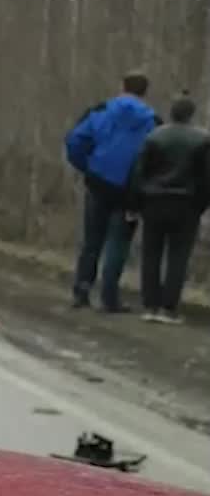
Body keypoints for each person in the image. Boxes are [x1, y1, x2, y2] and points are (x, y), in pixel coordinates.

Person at [65, 71, 157, 312]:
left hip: (98, 183)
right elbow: (156, 158)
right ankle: (109, 297)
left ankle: (82, 290)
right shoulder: (153, 121)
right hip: (130, 190)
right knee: (119, 243)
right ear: (145, 92)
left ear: (122, 87)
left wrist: (87, 166)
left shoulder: (101, 112)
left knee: (92, 240)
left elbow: (75, 141)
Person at [131, 94, 210, 324]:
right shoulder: (203, 140)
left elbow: (139, 173)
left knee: (151, 253)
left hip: (154, 201)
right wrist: (201, 204)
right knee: (178, 256)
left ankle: (150, 305)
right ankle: (169, 307)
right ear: (191, 115)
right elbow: (207, 178)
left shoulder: (154, 137)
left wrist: (136, 202)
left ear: (171, 112)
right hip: (186, 203)